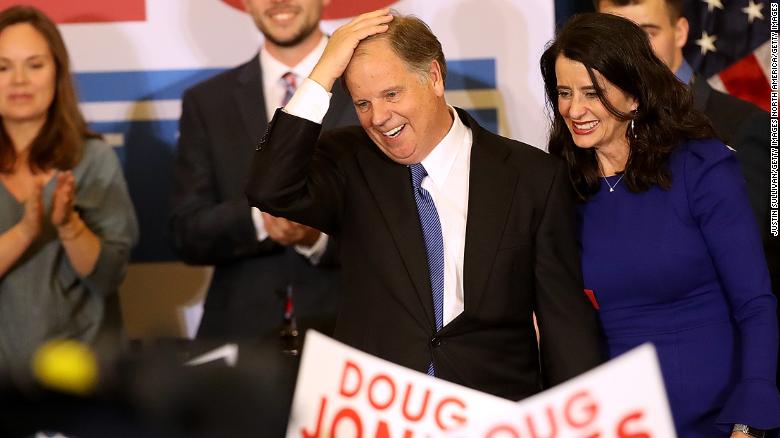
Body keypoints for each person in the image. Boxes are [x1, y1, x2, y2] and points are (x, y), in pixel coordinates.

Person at [246, 9, 604, 399]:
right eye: (362, 103)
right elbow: (270, 187)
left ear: (434, 77)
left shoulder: (532, 176)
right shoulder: (347, 163)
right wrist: (324, 70)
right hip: (379, 414)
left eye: (391, 94)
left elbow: (563, 324)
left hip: (491, 414)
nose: (379, 118)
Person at [540, 12, 780, 437]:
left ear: (634, 97)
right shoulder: (561, 186)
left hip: (717, 419)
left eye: (592, 93)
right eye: (563, 93)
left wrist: (750, 420)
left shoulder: (702, 168)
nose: (574, 110)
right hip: (617, 422)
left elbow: (755, 304)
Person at [170, 0, 358, 340]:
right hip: (241, 342)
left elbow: (410, 220)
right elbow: (187, 232)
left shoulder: (368, 88)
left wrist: (315, 236)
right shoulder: (208, 102)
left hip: (351, 334)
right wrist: (264, 217)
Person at [593, 0, 778, 337]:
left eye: (647, 33)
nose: (632, 52)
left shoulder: (744, 127)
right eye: (615, 36)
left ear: (680, 32)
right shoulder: (586, 137)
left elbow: (759, 254)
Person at [0, 6, 138, 381]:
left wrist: (68, 225)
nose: (19, 80)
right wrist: (26, 230)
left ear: (57, 72)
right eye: (3, 67)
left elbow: (110, 276)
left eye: (35, 64)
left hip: (85, 384)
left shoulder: (93, 159)